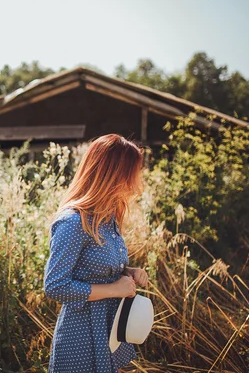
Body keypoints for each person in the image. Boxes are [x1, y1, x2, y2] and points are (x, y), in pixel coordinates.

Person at [43, 134, 149, 372]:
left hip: (108, 331)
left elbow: (98, 267)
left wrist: (130, 272)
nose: (137, 181)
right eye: (133, 172)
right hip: (81, 335)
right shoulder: (72, 223)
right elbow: (55, 286)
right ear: (114, 174)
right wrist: (113, 289)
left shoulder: (107, 217)